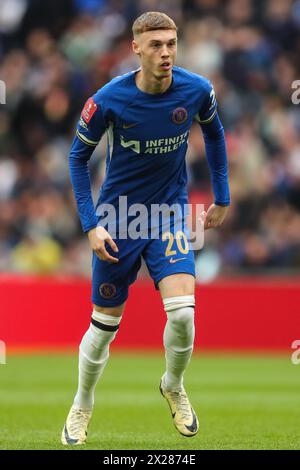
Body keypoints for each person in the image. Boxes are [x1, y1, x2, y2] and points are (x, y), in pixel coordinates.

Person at [61, 11, 230, 445]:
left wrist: (222, 195)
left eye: (171, 43)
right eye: (155, 45)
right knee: (102, 331)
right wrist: (90, 225)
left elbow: (214, 134)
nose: (166, 52)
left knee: (184, 316)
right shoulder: (108, 99)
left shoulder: (197, 90)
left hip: (169, 214)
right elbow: (77, 159)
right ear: (136, 48)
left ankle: (173, 385)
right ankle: (82, 404)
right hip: (118, 219)